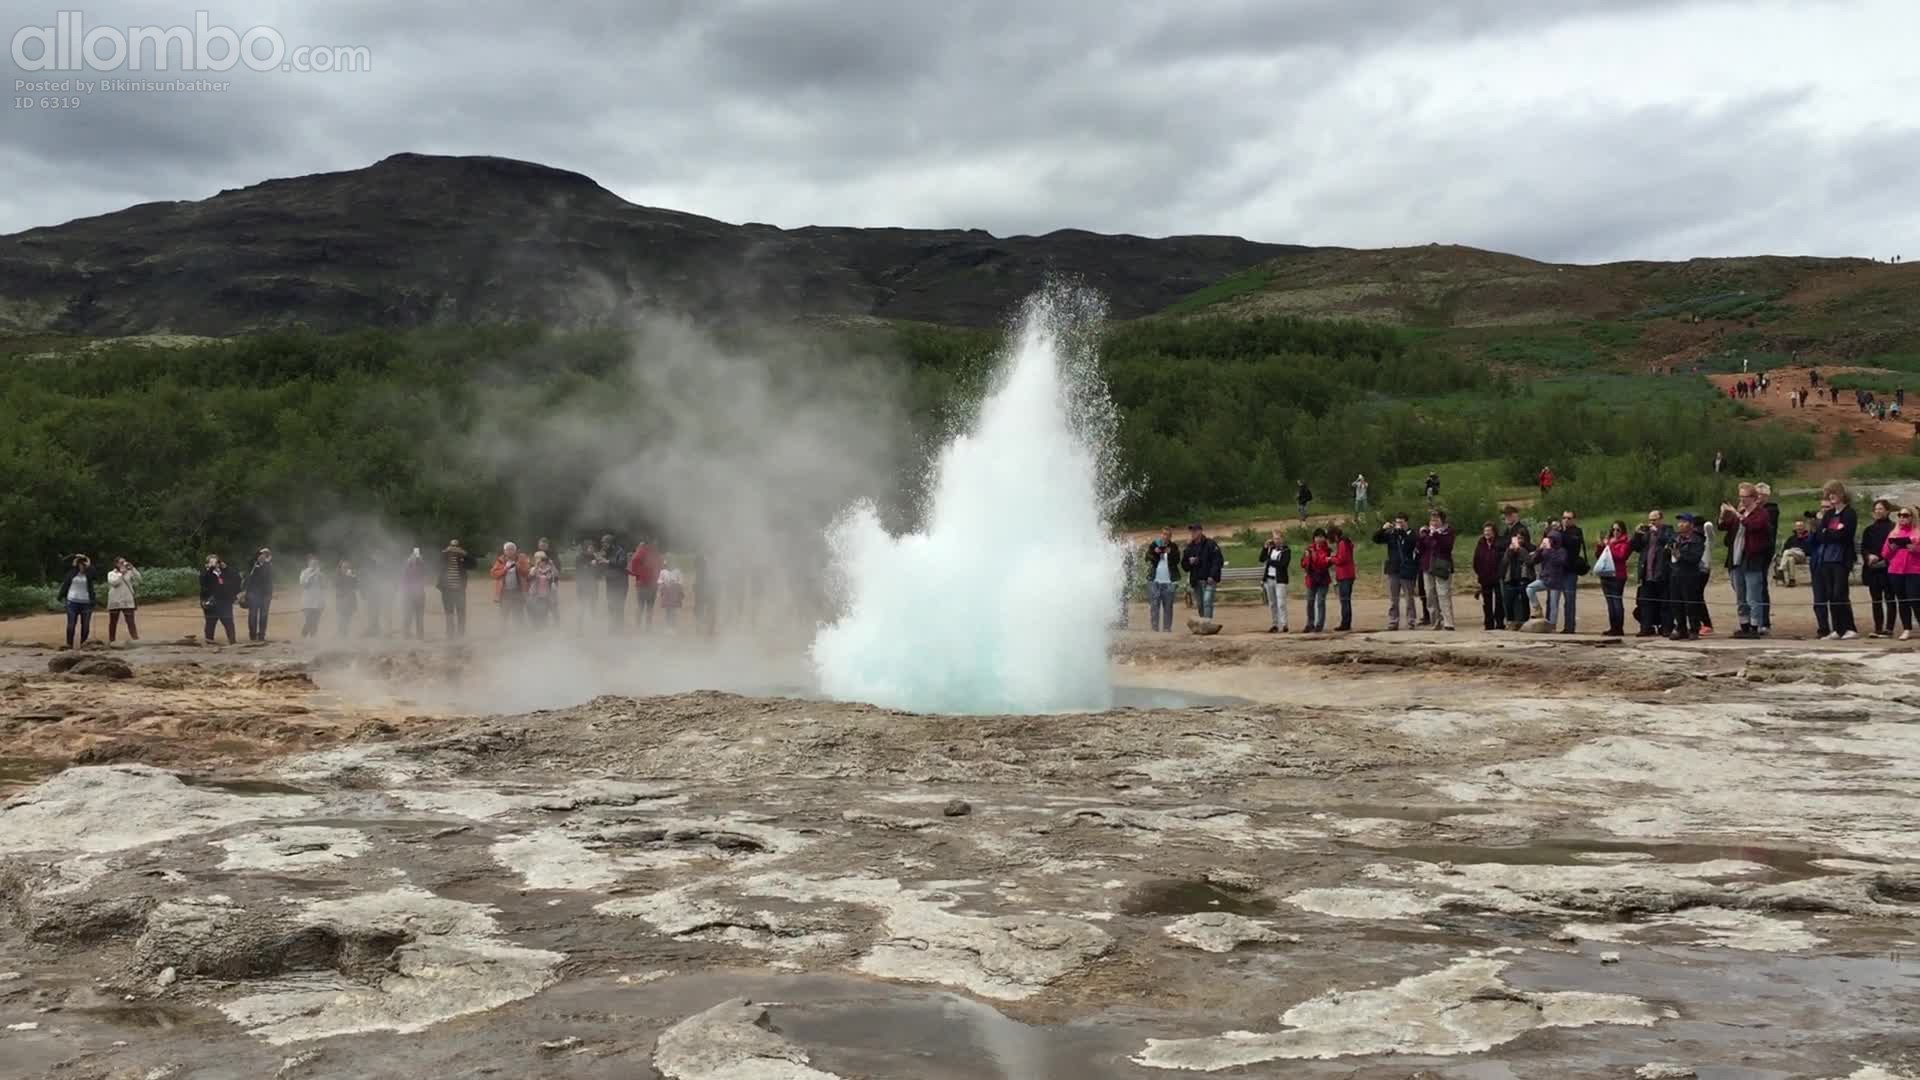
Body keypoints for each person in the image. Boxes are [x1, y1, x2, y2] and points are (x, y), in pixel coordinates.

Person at [1718, 484, 1774, 639]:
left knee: (1753, 596)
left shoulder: (1761, 513)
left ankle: (1755, 626)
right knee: (1740, 596)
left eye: (1745, 496)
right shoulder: (1740, 513)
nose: (1742, 499)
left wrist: (1737, 514)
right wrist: (1723, 515)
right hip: (1736, 559)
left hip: (1752, 559)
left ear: (1754, 498)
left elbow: (1755, 526)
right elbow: (1724, 527)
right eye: (1740, 496)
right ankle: (1744, 625)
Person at [1811, 481, 1859, 640]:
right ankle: (1838, 629)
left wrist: (1829, 532)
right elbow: (1819, 534)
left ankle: (1850, 627)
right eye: (1828, 493)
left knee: (1840, 593)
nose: (1831, 496)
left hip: (1841, 558)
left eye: (1833, 493)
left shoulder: (1850, 513)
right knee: (1831, 594)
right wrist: (1831, 532)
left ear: (1842, 494)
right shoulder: (1829, 514)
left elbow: (1845, 535)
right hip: (1827, 558)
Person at [1372, 513, 1422, 630]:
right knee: (1393, 598)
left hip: (1407, 569)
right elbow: (1376, 539)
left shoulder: (1412, 534)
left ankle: (1411, 620)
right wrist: (1383, 529)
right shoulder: (1392, 535)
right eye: (1397, 522)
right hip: (1393, 569)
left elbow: (1411, 543)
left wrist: (1401, 532)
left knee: (1409, 597)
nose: (1399, 524)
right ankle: (1393, 621)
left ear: (1406, 522)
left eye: (1401, 522)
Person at [1630, 510, 1676, 637]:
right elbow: (1635, 547)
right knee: (1645, 602)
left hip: (1661, 573)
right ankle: (1646, 627)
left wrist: (1657, 532)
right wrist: (1637, 534)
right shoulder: (1646, 533)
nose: (1651, 523)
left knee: (1665, 602)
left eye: (1654, 520)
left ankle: (1666, 627)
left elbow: (1671, 541)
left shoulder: (1668, 530)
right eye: (1650, 520)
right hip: (1647, 573)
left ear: (1661, 519)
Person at [1667, 516, 1707, 640]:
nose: (1680, 525)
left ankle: (1694, 629)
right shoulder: (1675, 538)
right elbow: (1667, 552)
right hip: (1675, 573)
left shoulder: (1697, 540)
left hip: (1690, 574)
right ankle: (1681, 628)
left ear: (1691, 524)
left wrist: (1680, 556)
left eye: (1683, 522)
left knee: (1691, 603)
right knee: (1676, 603)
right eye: (1679, 522)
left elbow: (1695, 558)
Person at [1861, 498, 1897, 637]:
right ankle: (1878, 628)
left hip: (1888, 567)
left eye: (1881, 509)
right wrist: (1868, 556)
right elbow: (1864, 547)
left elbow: (1895, 547)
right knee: (1875, 599)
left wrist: (1882, 558)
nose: (1878, 511)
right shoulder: (1869, 530)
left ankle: (1889, 628)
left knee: (1890, 598)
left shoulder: (1894, 528)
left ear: (1887, 511)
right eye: (1876, 509)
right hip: (1872, 568)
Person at [1416, 509, 1457, 630]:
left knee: (1443, 594)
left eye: (1436, 519)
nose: (1433, 522)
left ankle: (1448, 622)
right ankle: (1435, 621)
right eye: (1432, 520)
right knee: (1430, 595)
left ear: (1442, 521)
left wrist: (1435, 534)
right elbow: (1421, 547)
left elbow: (1446, 546)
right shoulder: (1428, 532)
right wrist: (1422, 536)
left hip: (1442, 566)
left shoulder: (1448, 532)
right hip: (1428, 566)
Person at [1883, 506, 1918, 640]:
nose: (1902, 518)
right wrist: (1892, 548)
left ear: (1912, 516)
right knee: (1902, 600)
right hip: (1896, 570)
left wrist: (1916, 549)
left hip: (1914, 570)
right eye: (1900, 515)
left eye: (1906, 515)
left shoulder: (1918, 532)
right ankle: (1907, 628)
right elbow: (1885, 554)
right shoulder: (1894, 533)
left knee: (1914, 598)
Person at [1596, 521, 1632, 637]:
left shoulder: (1625, 542)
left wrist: (1609, 547)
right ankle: (1613, 627)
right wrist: (1601, 546)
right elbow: (1599, 556)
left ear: (1622, 531)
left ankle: (1619, 628)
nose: (1615, 532)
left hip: (1617, 575)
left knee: (1616, 601)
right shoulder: (1610, 542)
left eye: (1618, 530)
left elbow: (1622, 556)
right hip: (1606, 574)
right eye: (1613, 530)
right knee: (1610, 603)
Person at [1182, 524, 1223, 620]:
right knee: (1200, 605)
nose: (1193, 533)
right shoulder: (1189, 547)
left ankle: (1207, 623)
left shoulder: (1211, 544)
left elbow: (1218, 561)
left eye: (1195, 531)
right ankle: (1203, 622)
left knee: (1207, 601)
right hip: (1196, 581)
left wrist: (1212, 576)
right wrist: (1189, 562)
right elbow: (1184, 566)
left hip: (1209, 580)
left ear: (1200, 531)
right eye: (1191, 531)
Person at [1144, 528, 1180, 633]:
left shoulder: (1173, 547)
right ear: (1161, 535)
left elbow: (1177, 560)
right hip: (1154, 580)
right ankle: (1154, 628)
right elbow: (1147, 557)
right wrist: (1155, 552)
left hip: (1169, 581)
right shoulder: (1154, 545)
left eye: (1168, 535)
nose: (1165, 536)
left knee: (1168, 606)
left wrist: (1170, 553)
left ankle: (1167, 628)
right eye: (1164, 534)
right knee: (1154, 605)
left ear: (1170, 537)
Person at [56, 554, 97, 649]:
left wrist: (88, 560)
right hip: (72, 602)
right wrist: (74, 556)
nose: (82, 567)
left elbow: (95, 575)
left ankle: (83, 644)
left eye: (84, 565)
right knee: (71, 625)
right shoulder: (71, 573)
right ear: (77, 565)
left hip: (86, 603)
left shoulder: (89, 574)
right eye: (80, 565)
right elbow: (61, 563)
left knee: (86, 626)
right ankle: (69, 644)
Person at [1556, 510, 1587, 633]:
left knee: (1570, 599)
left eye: (1569, 518)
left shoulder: (1576, 532)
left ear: (1574, 519)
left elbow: (1572, 544)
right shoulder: (1559, 531)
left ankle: (1570, 627)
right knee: (1557, 599)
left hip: (1571, 570)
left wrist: (1561, 532)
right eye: (1564, 518)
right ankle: (1562, 625)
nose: (1566, 520)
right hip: (1559, 569)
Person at [1527, 531, 1568, 622]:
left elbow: (1560, 562)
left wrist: (1549, 550)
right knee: (1530, 588)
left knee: (1553, 605)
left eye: (1551, 539)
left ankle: (1552, 624)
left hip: (1556, 581)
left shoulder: (1561, 551)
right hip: (1545, 579)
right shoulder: (1545, 550)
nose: (1550, 541)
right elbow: (1534, 560)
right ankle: (1537, 608)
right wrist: (1539, 549)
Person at [438, 540, 475, 638]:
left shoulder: (462, 557)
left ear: (459, 548)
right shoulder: (444, 557)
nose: (454, 549)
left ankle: (461, 634)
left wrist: (465, 554)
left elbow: (473, 565)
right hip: (447, 590)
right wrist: (445, 551)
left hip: (460, 590)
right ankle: (450, 634)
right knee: (449, 612)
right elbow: (436, 563)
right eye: (452, 546)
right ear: (449, 546)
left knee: (461, 612)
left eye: (456, 546)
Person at [200, 554, 239, 645]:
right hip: (211, 603)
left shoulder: (224, 572)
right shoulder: (205, 574)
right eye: (212, 562)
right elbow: (203, 582)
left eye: (216, 562)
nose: (215, 564)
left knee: (229, 623)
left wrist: (226, 568)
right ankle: (209, 642)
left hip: (225, 602)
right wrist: (210, 569)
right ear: (207, 564)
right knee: (210, 624)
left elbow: (236, 578)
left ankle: (232, 641)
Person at [1498, 528, 1532, 631]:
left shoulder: (1529, 548)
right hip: (1511, 578)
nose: (1519, 540)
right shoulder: (1510, 550)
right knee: (1508, 602)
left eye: (1521, 538)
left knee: (1524, 602)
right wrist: (1510, 551)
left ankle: (1524, 622)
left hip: (1523, 579)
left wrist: (1521, 550)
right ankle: (1510, 622)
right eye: (1517, 538)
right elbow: (1504, 562)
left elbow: (1530, 562)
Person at [1300, 529, 1333, 633]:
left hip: (1323, 579)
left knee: (1320, 601)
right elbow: (1303, 564)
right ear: (1314, 538)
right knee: (1310, 602)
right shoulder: (1309, 549)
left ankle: (1319, 624)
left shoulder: (1328, 550)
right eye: (1317, 537)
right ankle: (1310, 623)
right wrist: (1308, 558)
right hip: (1311, 579)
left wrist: (1314, 556)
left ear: (1324, 538)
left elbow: (1325, 564)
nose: (1319, 539)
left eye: (1321, 537)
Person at [1472, 522, 1504, 631]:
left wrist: (1500, 574)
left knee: (1499, 600)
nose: (1487, 534)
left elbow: (1503, 560)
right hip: (1485, 577)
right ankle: (1488, 624)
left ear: (1494, 532)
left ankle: (1499, 623)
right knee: (1487, 602)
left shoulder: (1500, 543)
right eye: (1485, 531)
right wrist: (1480, 573)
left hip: (1498, 577)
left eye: (1489, 531)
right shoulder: (1481, 543)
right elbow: (1476, 560)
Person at [491, 542, 530, 627]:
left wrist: (518, 566)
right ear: (504, 551)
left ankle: (519, 633)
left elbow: (526, 573)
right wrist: (504, 570)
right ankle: (503, 633)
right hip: (505, 593)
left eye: (512, 549)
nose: (510, 551)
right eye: (507, 550)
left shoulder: (521, 559)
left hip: (518, 591)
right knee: (504, 614)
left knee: (518, 613)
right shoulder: (500, 560)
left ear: (515, 551)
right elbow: (493, 574)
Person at [1258, 529, 1289, 633]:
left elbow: (1283, 564)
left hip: (1280, 579)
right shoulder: (1270, 549)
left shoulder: (1286, 550)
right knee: (1272, 603)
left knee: (1281, 603)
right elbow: (1262, 559)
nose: (1276, 540)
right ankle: (1275, 624)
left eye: (1278, 538)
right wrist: (1265, 547)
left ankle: (1284, 624)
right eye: (1275, 538)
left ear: (1282, 539)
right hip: (1269, 578)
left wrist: (1270, 561)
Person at [628, 538, 662, 628]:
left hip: (642, 583)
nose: (656, 543)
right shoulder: (654, 552)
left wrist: (638, 574)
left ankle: (638, 626)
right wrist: (656, 576)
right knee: (650, 606)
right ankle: (648, 626)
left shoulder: (641, 550)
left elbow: (633, 563)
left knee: (640, 605)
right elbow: (660, 565)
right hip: (651, 583)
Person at [106, 557, 141, 643]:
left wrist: (133, 569)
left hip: (127, 600)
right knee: (113, 622)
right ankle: (112, 640)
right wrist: (121, 573)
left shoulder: (129, 573)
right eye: (121, 562)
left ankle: (135, 638)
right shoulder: (111, 573)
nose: (123, 564)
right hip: (115, 601)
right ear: (116, 564)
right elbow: (114, 583)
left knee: (130, 621)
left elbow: (139, 579)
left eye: (124, 562)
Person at [243, 548, 275, 642]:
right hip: (253, 593)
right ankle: (252, 636)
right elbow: (249, 573)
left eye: (266, 554)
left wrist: (270, 594)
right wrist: (257, 558)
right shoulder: (252, 564)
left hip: (265, 594)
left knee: (264, 615)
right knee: (253, 615)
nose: (264, 556)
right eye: (262, 554)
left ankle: (261, 636)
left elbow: (269, 578)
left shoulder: (268, 565)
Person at [1329, 525, 1357, 632]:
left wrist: (1331, 559)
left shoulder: (1342, 543)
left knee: (1344, 600)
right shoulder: (1345, 542)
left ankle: (1345, 623)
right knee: (1346, 600)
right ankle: (1346, 622)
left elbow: (1341, 559)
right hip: (1348, 574)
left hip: (1344, 575)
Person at [601, 534, 631, 629]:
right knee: (611, 605)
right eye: (603, 544)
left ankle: (619, 627)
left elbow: (622, 564)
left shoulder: (620, 551)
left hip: (621, 583)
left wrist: (607, 562)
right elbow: (604, 565)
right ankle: (613, 626)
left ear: (611, 543)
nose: (603, 545)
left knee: (619, 605)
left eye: (605, 543)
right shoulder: (606, 552)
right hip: (610, 583)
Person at [1774, 519, 1814, 588]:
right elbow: (1784, 549)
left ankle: (1780, 570)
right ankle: (1792, 580)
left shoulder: (1808, 537)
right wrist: (1792, 550)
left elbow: (1810, 550)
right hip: (1793, 556)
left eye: (1801, 526)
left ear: (1804, 527)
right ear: (1795, 528)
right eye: (1798, 526)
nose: (1799, 528)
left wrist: (1797, 549)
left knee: (1788, 552)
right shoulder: (1791, 538)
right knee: (1790, 558)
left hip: (1803, 556)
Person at [400, 548, 429, 639]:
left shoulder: (408, 565)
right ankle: (418, 635)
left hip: (411, 594)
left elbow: (404, 579)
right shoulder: (421, 565)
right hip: (416, 594)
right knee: (417, 615)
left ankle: (407, 634)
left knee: (410, 615)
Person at [575, 538, 602, 632]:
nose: (592, 549)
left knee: (593, 606)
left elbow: (599, 573)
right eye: (590, 548)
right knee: (581, 607)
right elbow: (579, 571)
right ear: (585, 548)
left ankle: (592, 627)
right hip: (582, 586)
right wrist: (590, 564)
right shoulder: (579, 557)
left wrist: (598, 564)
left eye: (593, 548)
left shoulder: (594, 557)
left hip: (593, 585)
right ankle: (580, 628)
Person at [528, 550, 560, 626]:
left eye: (542, 558)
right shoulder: (534, 569)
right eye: (537, 558)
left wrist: (552, 565)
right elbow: (530, 577)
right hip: (537, 594)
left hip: (549, 594)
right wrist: (536, 566)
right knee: (538, 611)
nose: (540, 560)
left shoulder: (550, 569)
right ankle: (538, 626)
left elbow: (556, 576)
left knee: (553, 610)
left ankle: (556, 626)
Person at [299, 555, 327, 638]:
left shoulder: (321, 573)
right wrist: (312, 576)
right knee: (309, 621)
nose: (314, 564)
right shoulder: (304, 572)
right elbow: (304, 585)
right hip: (307, 601)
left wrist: (321, 577)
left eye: (316, 563)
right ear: (308, 563)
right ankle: (303, 635)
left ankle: (313, 638)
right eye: (313, 563)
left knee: (316, 621)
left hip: (318, 601)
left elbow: (324, 586)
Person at [333, 559, 360, 637]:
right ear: (340, 568)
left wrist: (354, 578)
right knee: (342, 617)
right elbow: (336, 585)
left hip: (351, 599)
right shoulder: (337, 576)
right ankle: (340, 633)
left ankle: (344, 633)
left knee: (348, 617)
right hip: (341, 599)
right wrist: (347, 577)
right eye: (344, 567)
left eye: (348, 567)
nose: (346, 569)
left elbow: (356, 586)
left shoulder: (352, 575)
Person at [658, 562, 686, 627]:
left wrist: (675, 583)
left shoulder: (677, 571)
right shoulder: (663, 572)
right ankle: (669, 626)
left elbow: (681, 581)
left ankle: (672, 625)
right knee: (669, 611)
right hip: (668, 595)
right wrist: (664, 583)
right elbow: (659, 581)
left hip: (673, 595)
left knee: (672, 611)